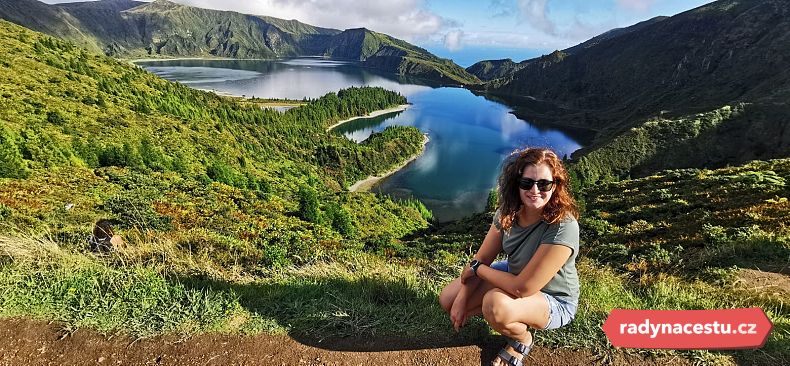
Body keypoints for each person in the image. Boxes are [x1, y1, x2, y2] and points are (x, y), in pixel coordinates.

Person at [439, 147, 580, 366]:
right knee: (448, 299)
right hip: (514, 274)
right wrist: (463, 296)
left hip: (555, 298)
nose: (535, 190)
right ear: (517, 183)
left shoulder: (564, 225)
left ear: (555, 186)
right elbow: (482, 258)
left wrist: (478, 270)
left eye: (544, 184)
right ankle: (507, 312)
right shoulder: (508, 214)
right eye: (527, 183)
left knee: (494, 304)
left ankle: (521, 339)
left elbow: (522, 288)